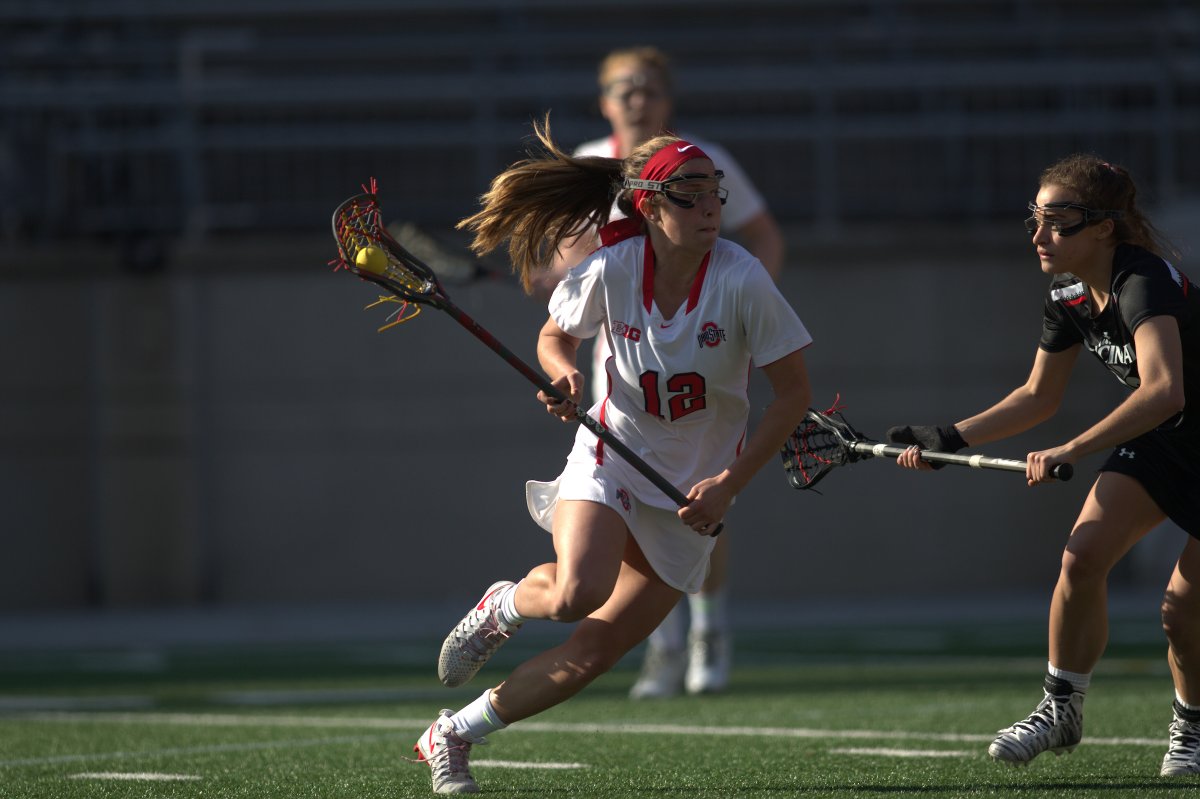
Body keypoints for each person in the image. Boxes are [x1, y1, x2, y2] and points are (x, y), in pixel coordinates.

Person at [411, 118, 813, 794]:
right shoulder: (612, 267)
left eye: (714, 191)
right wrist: (562, 374)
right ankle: (503, 606)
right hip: (613, 452)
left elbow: (793, 395)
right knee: (577, 591)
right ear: (652, 205)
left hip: (693, 491)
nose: (712, 206)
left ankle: (451, 733)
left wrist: (728, 483)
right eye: (691, 194)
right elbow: (553, 337)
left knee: (593, 652)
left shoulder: (743, 281)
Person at [888, 153, 1199, 775]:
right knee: (1081, 559)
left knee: (1181, 610)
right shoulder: (1069, 293)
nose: (1038, 235)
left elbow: (1165, 390)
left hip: (1173, 423)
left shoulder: (1144, 282)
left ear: (1104, 227)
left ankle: (1192, 732)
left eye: (1057, 222)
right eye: (1034, 219)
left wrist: (1072, 449)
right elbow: (1038, 396)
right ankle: (1061, 710)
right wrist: (951, 437)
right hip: (1172, 443)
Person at [532, 45, 787, 700]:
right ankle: (660, 645)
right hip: (626, 358)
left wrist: (742, 316)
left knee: (701, 497)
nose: (635, 99)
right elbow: (565, 264)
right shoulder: (592, 161)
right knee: (625, 509)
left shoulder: (704, 163)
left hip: (703, 353)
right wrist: (559, 284)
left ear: (667, 99)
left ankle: (708, 629)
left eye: (647, 88)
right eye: (623, 88)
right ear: (604, 99)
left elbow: (764, 237)